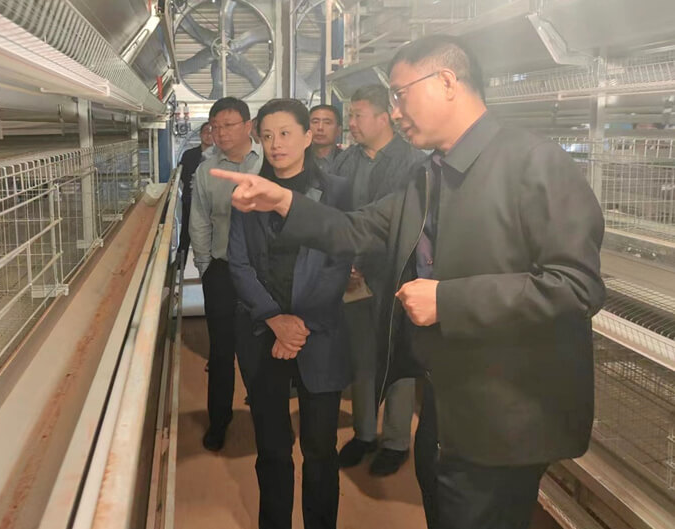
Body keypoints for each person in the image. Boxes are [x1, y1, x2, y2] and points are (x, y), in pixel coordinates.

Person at [213, 34, 605, 529]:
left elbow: (576, 286)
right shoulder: (430, 176)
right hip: (448, 397)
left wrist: (448, 300)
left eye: (400, 95)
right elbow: (357, 228)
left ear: (447, 82)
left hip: (503, 407)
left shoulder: (532, 162)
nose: (395, 112)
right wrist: (285, 201)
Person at [228, 99, 351, 529]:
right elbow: (238, 264)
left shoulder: (337, 191)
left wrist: (299, 327)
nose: (276, 144)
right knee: (273, 449)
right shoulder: (247, 191)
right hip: (264, 334)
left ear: (307, 136)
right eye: (267, 136)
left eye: (285, 133)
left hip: (318, 334)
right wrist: (274, 319)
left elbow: (338, 263)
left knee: (320, 449)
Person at [332, 84, 427, 476]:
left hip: (396, 275)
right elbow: (336, 215)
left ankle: (396, 441)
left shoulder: (414, 163)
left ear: (383, 117)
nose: (351, 123)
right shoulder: (344, 162)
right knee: (362, 356)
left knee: (397, 356)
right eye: (350, 115)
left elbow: (411, 225)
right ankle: (365, 433)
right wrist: (344, 262)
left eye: (357, 115)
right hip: (352, 277)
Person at [189, 97, 263, 451]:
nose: (220, 133)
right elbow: (200, 220)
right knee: (220, 351)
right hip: (222, 270)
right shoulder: (206, 171)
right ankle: (219, 419)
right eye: (215, 127)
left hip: (262, 272)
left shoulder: (267, 164)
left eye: (228, 125)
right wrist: (206, 267)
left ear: (248, 126)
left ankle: (265, 414)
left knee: (261, 347)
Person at [178, 122, 214, 264]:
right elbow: (183, 176)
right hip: (190, 200)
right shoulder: (189, 155)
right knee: (186, 233)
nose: (209, 135)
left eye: (212, 132)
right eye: (206, 131)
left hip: (212, 203)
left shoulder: (220, 156)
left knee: (211, 234)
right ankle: (179, 264)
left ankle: (211, 263)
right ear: (200, 135)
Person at [309, 104, 342, 173]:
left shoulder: (345, 160)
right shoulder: (297, 159)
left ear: (338, 130)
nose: (320, 127)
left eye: (327, 123)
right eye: (315, 122)